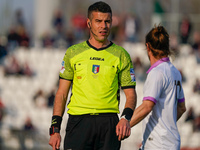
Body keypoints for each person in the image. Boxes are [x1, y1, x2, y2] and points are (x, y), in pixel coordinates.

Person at [49, 1, 137, 150]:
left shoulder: (121, 55)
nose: (103, 26)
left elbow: (131, 95)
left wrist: (125, 118)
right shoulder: (73, 52)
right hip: (79, 122)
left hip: (109, 124)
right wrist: (55, 129)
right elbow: (62, 93)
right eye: (98, 21)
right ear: (89, 23)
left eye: (107, 21)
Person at [129, 25, 186, 150]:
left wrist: (123, 126)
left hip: (157, 143)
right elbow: (181, 108)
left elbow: (147, 106)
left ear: (148, 46)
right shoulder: (175, 72)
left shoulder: (157, 72)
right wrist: (166, 125)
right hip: (172, 141)